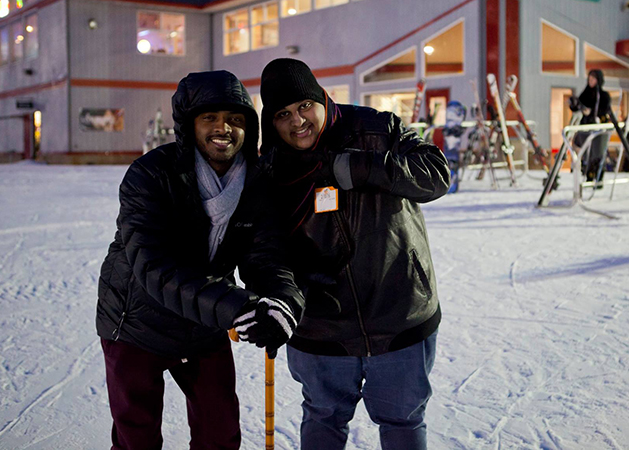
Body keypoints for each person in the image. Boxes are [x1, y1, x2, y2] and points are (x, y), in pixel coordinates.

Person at [96, 70, 305, 449]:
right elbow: (152, 266)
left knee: (219, 432)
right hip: (135, 322)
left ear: (249, 128)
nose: (223, 128)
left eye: (235, 120)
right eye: (210, 118)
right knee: (136, 437)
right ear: (188, 125)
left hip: (204, 322)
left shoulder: (256, 182)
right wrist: (234, 306)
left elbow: (267, 256)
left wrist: (282, 301)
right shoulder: (150, 175)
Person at [258, 58, 449, 450]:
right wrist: (286, 292)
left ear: (322, 100)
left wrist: (363, 168)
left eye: (305, 106)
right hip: (320, 330)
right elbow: (263, 247)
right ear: (270, 123)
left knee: (403, 422)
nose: (298, 121)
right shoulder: (270, 170)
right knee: (323, 420)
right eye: (283, 114)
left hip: (399, 317)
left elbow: (436, 174)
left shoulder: (377, 128)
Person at [570, 69, 612, 183]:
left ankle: (598, 177)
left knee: (596, 153)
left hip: (598, 128)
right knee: (585, 153)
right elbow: (578, 106)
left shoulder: (603, 96)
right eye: (589, 79)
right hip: (585, 127)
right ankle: (588, 175)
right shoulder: (586, 93)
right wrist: (574, 104)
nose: (591, 81)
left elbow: (605, 110)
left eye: (593, 79)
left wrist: (593, 112)